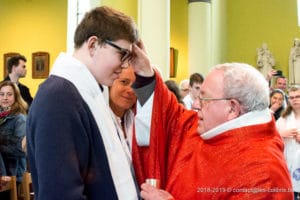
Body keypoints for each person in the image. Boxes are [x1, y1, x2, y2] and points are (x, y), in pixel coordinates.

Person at [26, 6, 154, 199]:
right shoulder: (58, 97)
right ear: (93, 45)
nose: (126, 65)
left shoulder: (92, 90)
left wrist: (146, 74)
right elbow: (61, 194)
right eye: (123, 55)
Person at [140, 63, 293, 199]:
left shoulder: (263, 175)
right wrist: (144, 74)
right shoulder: (213, 126)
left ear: (232, 108)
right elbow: (173, 118)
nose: (195, 104)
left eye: (204, 99)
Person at [0, 81, 27, 199]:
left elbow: (20, 150)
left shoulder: (20, 119)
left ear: (16, 97)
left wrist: (1, 142)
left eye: (9, 94)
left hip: (12, 172)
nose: (5, 98)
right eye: (2, 94)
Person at [276, 85, 300, 200]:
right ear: (288, 100)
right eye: (292, 97)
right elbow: (271, 136)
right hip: (289, 162)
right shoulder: (284, 117)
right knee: (291, 194)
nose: (295, 99)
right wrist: (282, 134)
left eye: (298, 96)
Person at [109, 66, 137, 150]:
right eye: (124, 82)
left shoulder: (137, 120)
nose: (131, 90)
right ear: (109, 84)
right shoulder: (99, 119)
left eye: (136, 85)